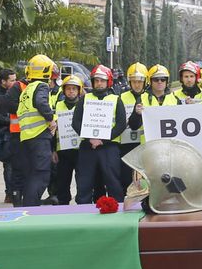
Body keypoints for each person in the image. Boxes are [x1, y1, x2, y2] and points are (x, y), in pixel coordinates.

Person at [75, 65, 125, 204]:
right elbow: (76, 122)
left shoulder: (116, 100)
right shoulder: (84, 99)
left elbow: (121, 124)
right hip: (88, 145)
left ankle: (118, 212)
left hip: (109, 146)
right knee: (84, 183)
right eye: (96, 80)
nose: (99, 83)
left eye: (102, 80)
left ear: (108, 82)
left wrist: (102, 140)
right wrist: (90, 138)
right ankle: (82, 213)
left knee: (113, 182)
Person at [16, 55, 57, 206]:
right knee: (41, 174)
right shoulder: (42, 86)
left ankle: (28, 205)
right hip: (39, 137)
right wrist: (50, 119)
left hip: (27, 138)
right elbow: (41, 102)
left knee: (32, 175)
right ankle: (31, 208)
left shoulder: (26, 90)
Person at [48, 74, 85, 205]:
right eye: (68, 88)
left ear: (79, 90)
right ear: (64, 90)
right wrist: (53, 150)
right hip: (63, 151)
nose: (71, 91)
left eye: (74, 89)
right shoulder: (57, 106)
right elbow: (53, 130)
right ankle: (63, 205)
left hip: (80, 151)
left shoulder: (84, 106)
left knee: (82, 182)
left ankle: (82, 206)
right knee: (62, 182)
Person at [0, 68, 20, 205]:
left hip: (11, 134)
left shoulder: (17, 93)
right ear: (3, 81)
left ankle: (10, 194)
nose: (16, 82)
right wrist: (6, 121)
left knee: (10, 167)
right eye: (12, 80)